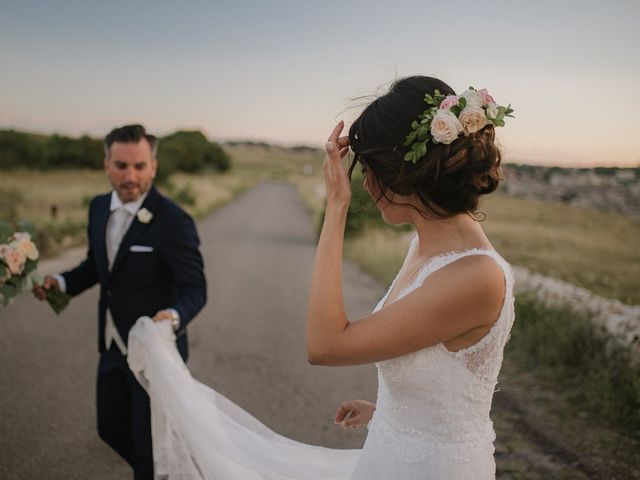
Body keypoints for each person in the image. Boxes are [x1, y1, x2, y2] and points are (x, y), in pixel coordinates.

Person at [125, 76, 514, 480]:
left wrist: (335, 207)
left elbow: (325, 344)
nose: (365, 183)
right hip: (396, 455)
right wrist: (389, 415)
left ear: (403, 174)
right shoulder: (425, 249)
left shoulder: (476, 277)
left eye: (369, 169)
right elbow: (448, 380)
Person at [33, 124, 207, 480]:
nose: (130, 176)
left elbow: (196, 289)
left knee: (147, 448)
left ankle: (157, 470)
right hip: (112, 345)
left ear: (153, 167)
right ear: (106, 164)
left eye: (139, 166)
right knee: (109, 429)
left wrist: (172, 318)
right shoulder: (98, 208)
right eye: (121, 165)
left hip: (155, 356)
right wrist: (62, 282)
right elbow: (100, 267)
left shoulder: (174, 222)